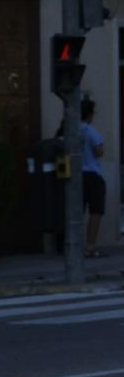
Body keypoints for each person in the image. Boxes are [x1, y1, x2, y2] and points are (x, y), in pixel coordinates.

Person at [81, 95, 106, 257]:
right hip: (92, 175)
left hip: (76, 176)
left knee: (76, 213)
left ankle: (73, 246)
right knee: (95, 212)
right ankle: (89, 247)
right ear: (89, 115)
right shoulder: (90, 131)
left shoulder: (70, 129)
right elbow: (99, 152)